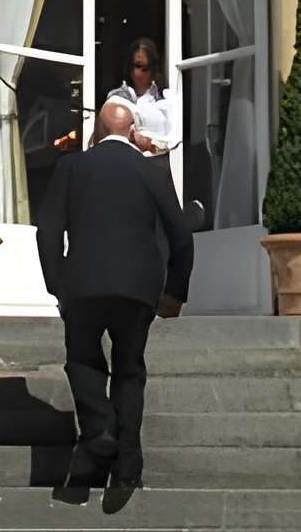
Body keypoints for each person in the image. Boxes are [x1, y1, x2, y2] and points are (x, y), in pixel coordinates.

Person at [33, 96, 194, 496]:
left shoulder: (72, 166)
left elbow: (48, 231)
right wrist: (174, 292)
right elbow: (181, 237)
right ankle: (128, 465)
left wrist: (57, 284)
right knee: (129, 370)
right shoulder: (153, 172)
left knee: (83, 360)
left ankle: (99, 428)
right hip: (138, 287)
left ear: (97, 131)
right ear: (132, 132)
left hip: (83, 283)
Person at [104, 36, 176, 157]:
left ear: (153, 68)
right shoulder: (116, 97)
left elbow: (175, 139)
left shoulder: (166, 99)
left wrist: (151, 143)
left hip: (156, 163)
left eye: (142, 67)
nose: (136, 72)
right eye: (133, 66)